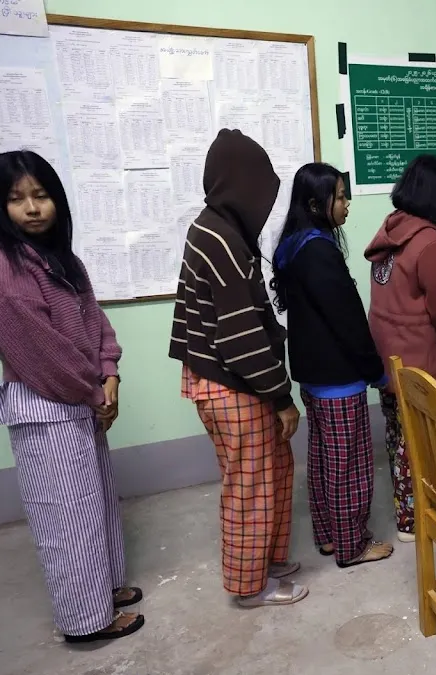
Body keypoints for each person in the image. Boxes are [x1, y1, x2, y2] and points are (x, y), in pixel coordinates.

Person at [0, 150, 144, 642]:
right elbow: (40, 351)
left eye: (41, 195)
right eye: (17, 199)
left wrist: (109, 372)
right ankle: (85, 620)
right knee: (66, 518)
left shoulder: (62, 259)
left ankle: (105, 588)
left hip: (81, 398)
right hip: (46, 407)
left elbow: (95, 320)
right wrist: (94, 390)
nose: (33, 208)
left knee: (94, 503)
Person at [169, 129, 306, 608]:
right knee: (249, 486)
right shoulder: (220, 239)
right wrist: (282, 397)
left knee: (274, 469)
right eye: (260, 189)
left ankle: (267, 560)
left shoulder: (220, 229)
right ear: (240, 185)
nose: (265, 203)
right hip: (232, 384)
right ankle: (249, 587)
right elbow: (240, 337)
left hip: (228, 380)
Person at [271, 162, 393, 567]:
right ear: (314, 204)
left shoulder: (295, 246)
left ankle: (329, 536)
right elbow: (348, 320)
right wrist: (375, 371)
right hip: (338, 377)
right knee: (350, 467)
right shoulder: (319, 251)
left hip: (313, 374)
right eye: (339, 197)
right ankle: (352, 545)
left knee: (325, 461)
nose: (346, 204)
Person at [364, 154, 436, 540]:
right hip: (420, 359)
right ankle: (416, 519)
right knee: (424, 441)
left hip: (387, 356)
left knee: (398, 436)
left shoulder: (390, 229)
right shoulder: (430, 241)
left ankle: (406, 512)